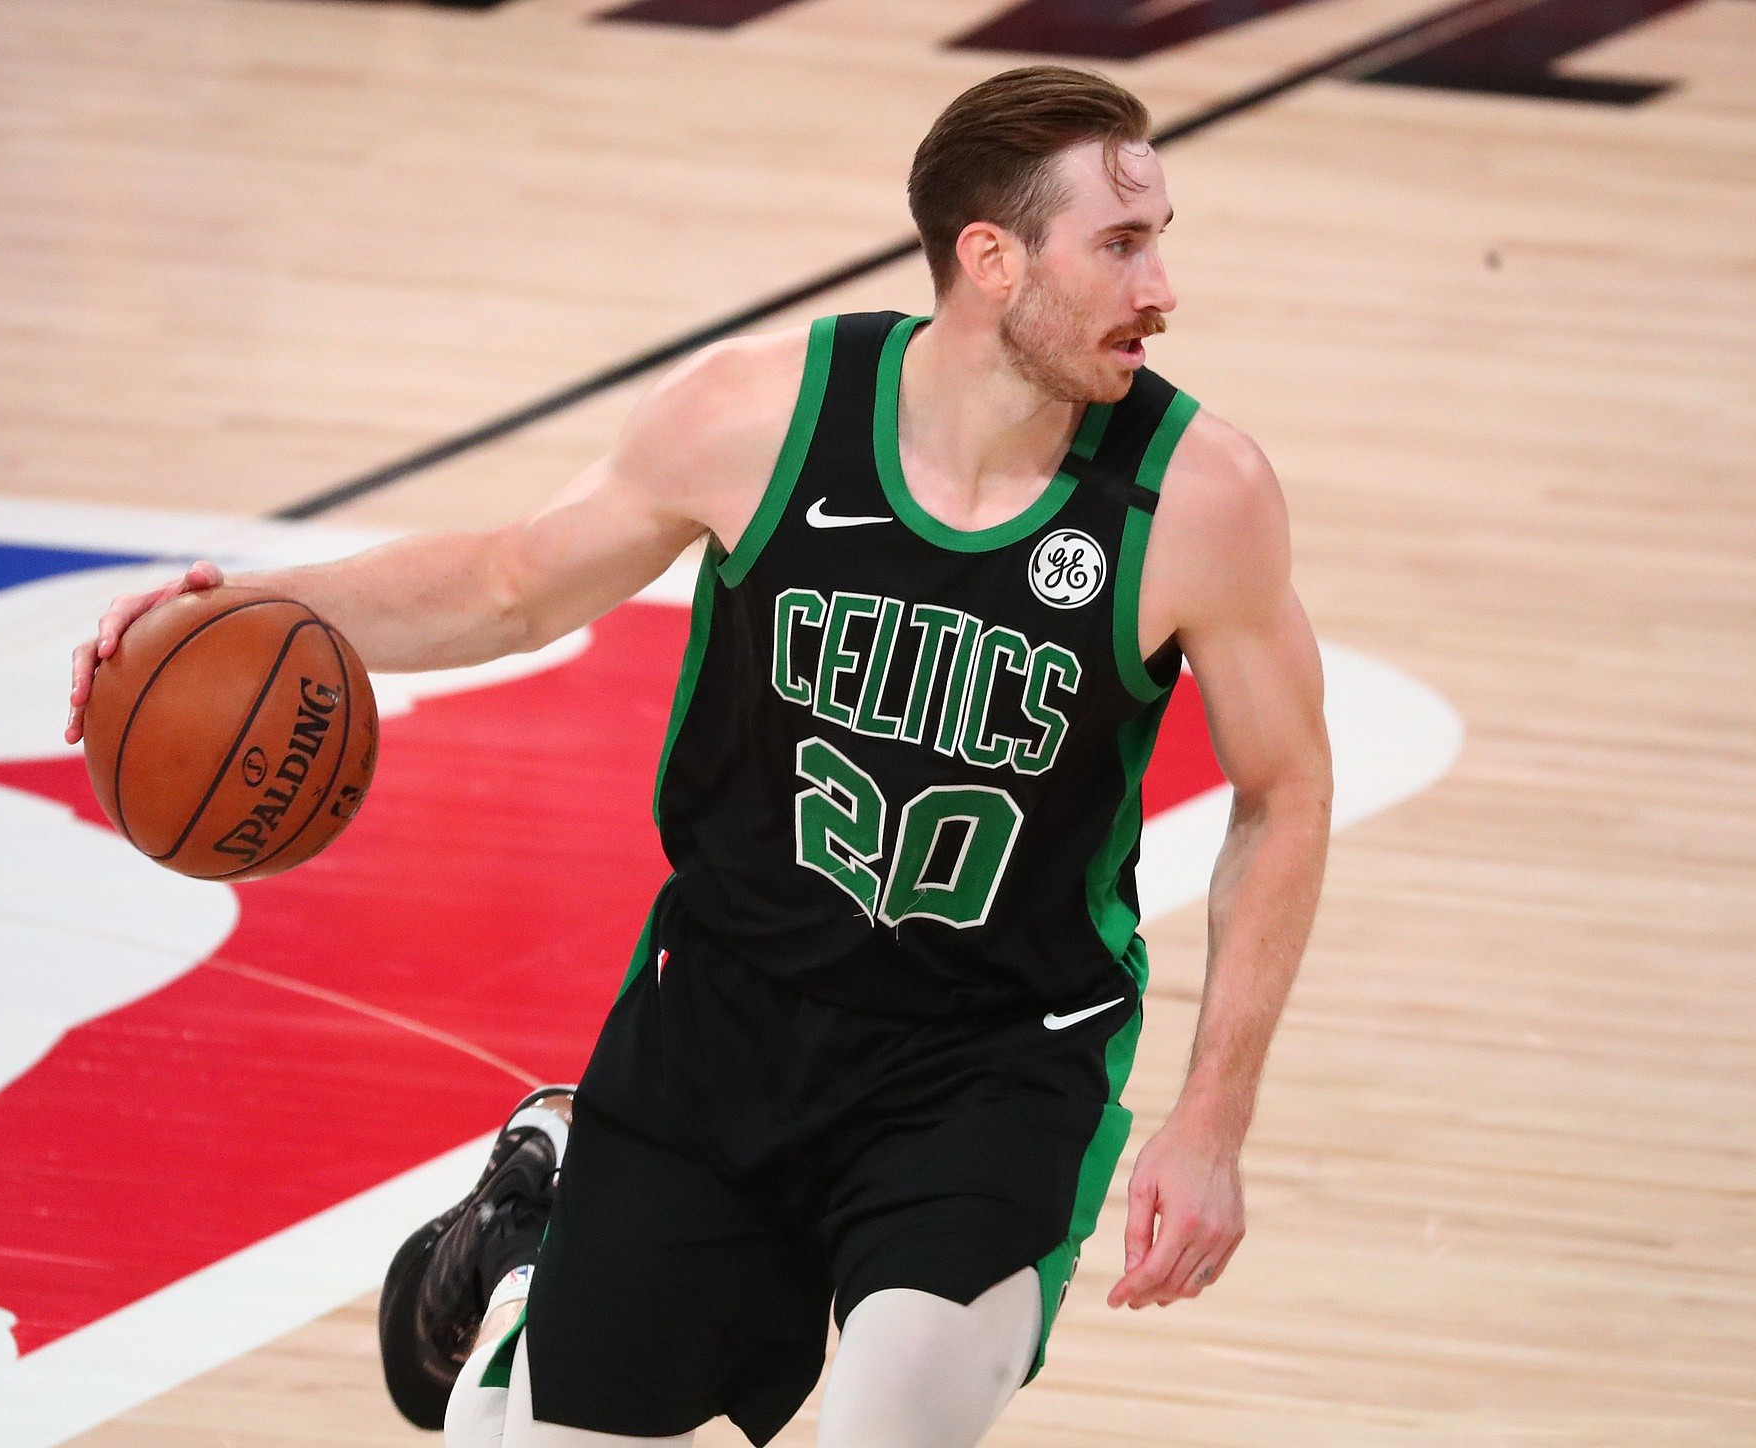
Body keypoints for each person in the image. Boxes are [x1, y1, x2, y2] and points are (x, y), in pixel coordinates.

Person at [67, 65, 1332, 1448]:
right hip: (723, 1022)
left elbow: (1283, 789)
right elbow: (509, 584)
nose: (1162, 290)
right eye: (1122, 246)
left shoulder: (1199, 495)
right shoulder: (761, 416)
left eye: (1159, 242)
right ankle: (526, 1263)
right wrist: (247, 612)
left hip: (992, 1062)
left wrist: (1212, 1120)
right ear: (989, 260)